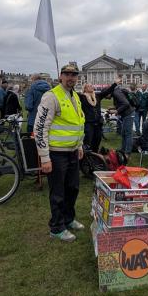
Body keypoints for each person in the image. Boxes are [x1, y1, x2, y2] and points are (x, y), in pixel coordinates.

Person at [34, 64, 86, 243]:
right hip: (56, 154)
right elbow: (40, 128)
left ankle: (68, 219)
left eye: (74, 75)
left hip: (72, 152)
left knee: (73, 189)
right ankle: (56, 227)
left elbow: (78, 123)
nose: (71, 77)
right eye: (68, 74)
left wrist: (79, 146)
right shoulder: (51, 96)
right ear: (61, 76)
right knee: (58, 192)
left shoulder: (75, 96)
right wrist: (45, 157)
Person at [79, 82, 116, 152]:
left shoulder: (97, 96)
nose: (91, 87)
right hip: (88, 123)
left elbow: (107, 91)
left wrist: (115, 84)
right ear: (85, 89)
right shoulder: (82, 97)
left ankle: (95, 155)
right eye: (89, 86)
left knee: (97, 140)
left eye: (91, 85)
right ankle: (87, 157)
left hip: (98, 123)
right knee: (88, 141)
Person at [110, 80, 135, 155]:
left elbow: (126, 104)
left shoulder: (116, 93)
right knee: (123, 133)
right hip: (126, 114)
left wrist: (116, 111)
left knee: (128, 133)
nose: (107, 98)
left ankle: (127, 151)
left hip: (129, 114)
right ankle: (123, 149)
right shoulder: (116, 92)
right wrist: (113, 108)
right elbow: (121, 104)